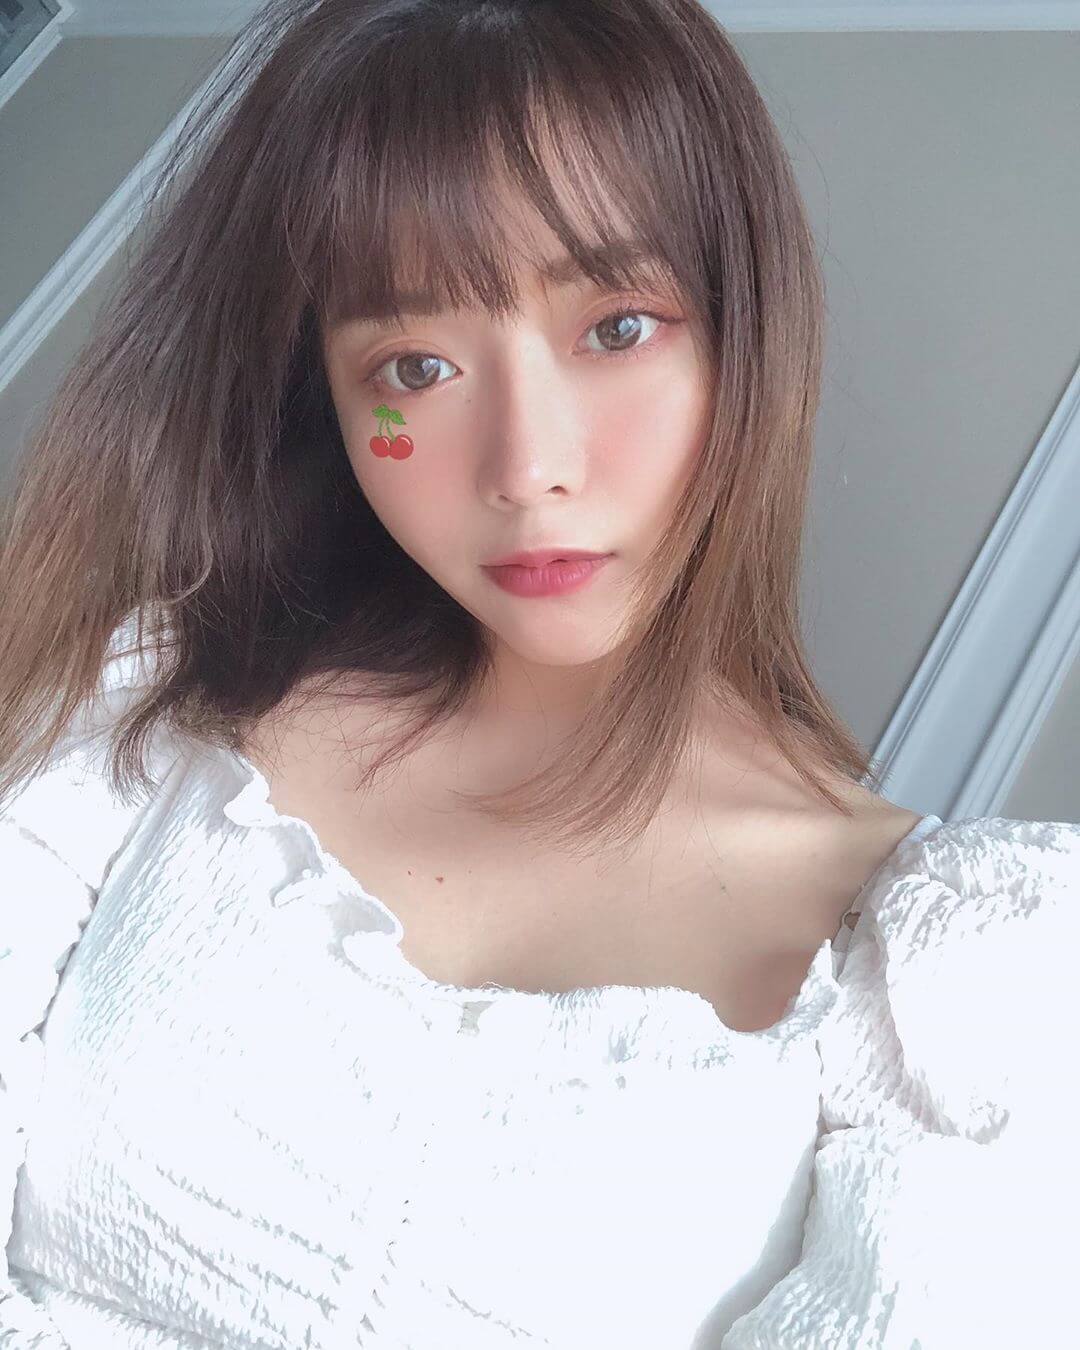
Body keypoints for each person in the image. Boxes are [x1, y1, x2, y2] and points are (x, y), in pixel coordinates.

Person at [0, 1, 1076, 1346]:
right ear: (327, 400)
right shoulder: (143, 716)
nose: (527, 467)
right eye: (414, 366)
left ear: (747, 334)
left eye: (618, 328)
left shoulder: (974, 993)